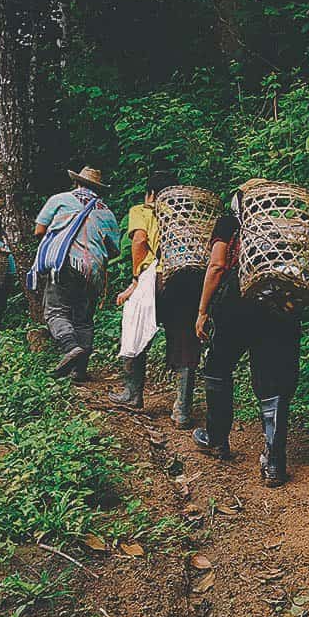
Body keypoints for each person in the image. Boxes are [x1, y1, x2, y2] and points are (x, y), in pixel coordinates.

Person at [192, 179, 301, 487]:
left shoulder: (231, 222)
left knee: (218, 367)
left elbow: (216, 265)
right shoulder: (285, 225)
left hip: (237, 302)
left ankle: (216, 439)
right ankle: (274, 463)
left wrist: (202, 311)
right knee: (274, 380)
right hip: (280, 302)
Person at [110, 171, 204, 428]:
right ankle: (182, 410)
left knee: (136, 326)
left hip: (157, 278)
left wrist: (136, 277)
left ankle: (132, 393)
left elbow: (140, 240)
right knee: (186, 338)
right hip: (186, 279)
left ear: (151, 193)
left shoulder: (143, 210)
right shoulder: (187, 215)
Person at [29, 165, 121, 380]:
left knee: (55, 311)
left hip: (64, 262)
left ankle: (70, 347)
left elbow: (39, 230)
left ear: (76, 182)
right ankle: (80, 371)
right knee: (84, 319)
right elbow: (114, 247)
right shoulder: (106, 211)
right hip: (93, 270)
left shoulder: (59, 199)